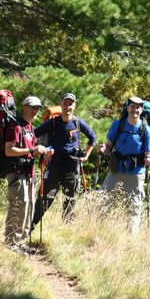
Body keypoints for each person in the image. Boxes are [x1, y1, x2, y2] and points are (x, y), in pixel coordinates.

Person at [31, 92, 98, 227]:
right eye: (65, 103)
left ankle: (67, 230)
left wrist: (86, 155)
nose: (67, 106)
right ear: (61, 105)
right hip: (54, 164)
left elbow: (93, 137)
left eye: (70, 104)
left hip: (71, 167)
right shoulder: (53, 122)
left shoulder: (78, 123)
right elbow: (34, 134)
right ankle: (30, 225)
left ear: (74, 106)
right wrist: (39, 149)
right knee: (45, 198)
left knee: (70, 200)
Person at [97, 96, 150, 235]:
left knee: (134, 208)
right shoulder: (118, 125)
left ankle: (131, 240)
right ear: (128, 108)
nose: (135, 110)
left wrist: (149, 159)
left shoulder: (145, 129)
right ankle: (98, 233)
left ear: (141, 110)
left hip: (136, 172)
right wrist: (102, 149)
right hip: (116, 169)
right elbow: (108, 147)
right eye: (132, 106)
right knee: (102, 201)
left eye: (138, 107)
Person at [4, 95, 53, 254]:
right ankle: (11, 243)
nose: (35, 110)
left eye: (38, 108)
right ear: (24, 106)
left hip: (29, 172)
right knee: (18, 206)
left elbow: (31, 151)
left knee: (29, 206)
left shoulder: (30, 127)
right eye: (32, 107)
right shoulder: (15, 125)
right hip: (17, 172)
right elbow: (8, 150)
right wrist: (32, 150)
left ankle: (21, 241)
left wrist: (43, 152)